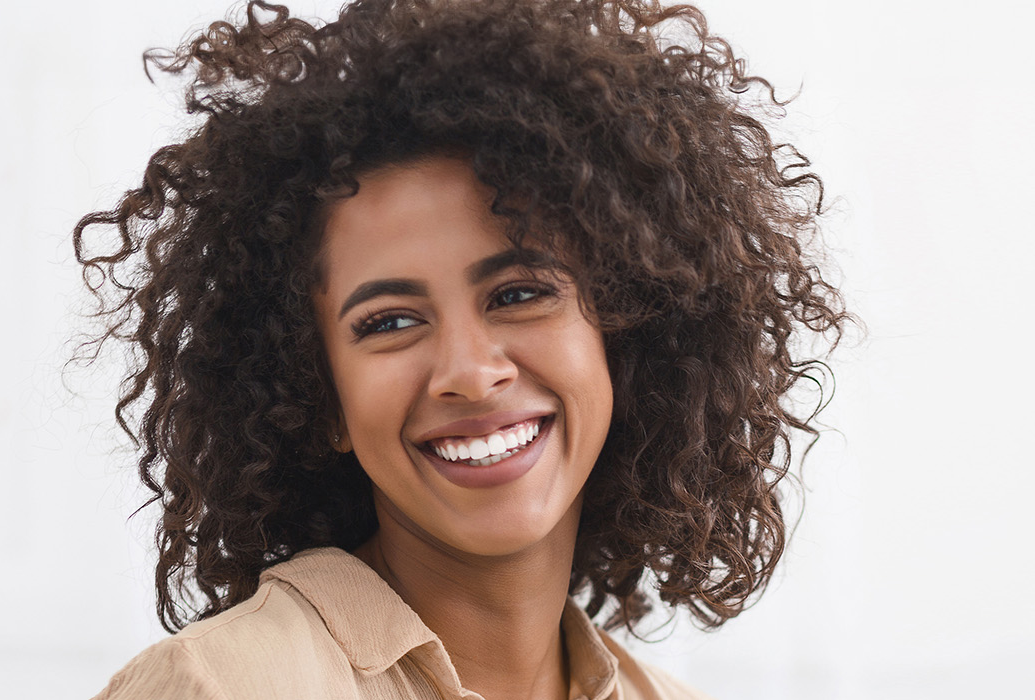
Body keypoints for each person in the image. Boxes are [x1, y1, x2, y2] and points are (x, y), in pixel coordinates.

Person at [71, 0, 851, 698]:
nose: (472, 375)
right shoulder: (222, 689)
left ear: (625, 329)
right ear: (317, 396)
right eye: (388, 322)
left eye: (517, 295)